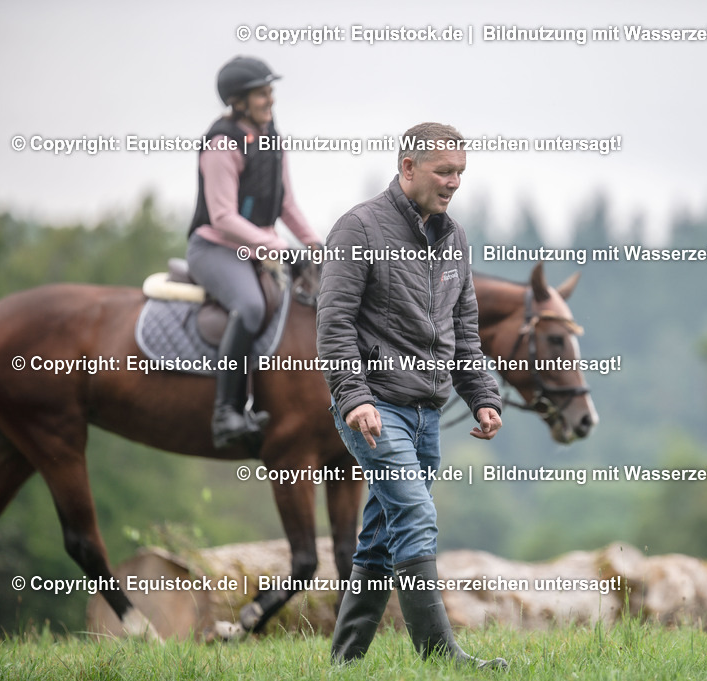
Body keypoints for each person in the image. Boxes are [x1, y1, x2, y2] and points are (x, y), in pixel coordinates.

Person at [317, 122, 507, 669]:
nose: (454, 183)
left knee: (380, 537)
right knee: (418, 515)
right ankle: (442, 657)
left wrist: (482, 395)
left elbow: (464, 329)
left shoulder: (455, 238)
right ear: (408, 168)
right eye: (444, 171)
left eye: (461, 173)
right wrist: (353, 398)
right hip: (376, 410)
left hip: (428, 414)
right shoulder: (358, 228)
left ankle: (344, 663)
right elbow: (333, 325)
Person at [187, 56, 319, 449]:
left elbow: (286, 205)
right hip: (215, 248)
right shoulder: (221, 143)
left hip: (258, 248)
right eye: (262, 93)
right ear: (239, 100)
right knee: (250, 305)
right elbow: (224, 216)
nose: (270, 100)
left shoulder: (271, 138)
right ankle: (226, 412)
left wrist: (313, 245)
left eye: (270, 92)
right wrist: (282, 247)